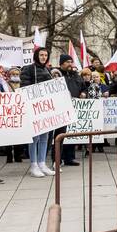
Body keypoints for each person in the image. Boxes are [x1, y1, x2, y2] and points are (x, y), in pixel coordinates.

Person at [21, 46, 54, 178]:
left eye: (46, 55)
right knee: (34, 137)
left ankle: (42, 163)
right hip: (34, 106)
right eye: (41, 55)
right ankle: (33, 164)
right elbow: (24, 87)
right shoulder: (28, 69)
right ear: (36, 56)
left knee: (45, 136)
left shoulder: (48, 69)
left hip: (46, 107)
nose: (43, 57)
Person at [57, 54, 86, 167]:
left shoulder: (76, 75)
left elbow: (84, 87)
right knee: (60, 134)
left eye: (71, 61)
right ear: (61, 63)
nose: (70, 64)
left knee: (71, 133)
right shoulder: (57, 75)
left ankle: (69, 157)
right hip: (61, 108)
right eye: (67, 62)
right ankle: (58, 159)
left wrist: (84, 93)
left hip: (75, 107)